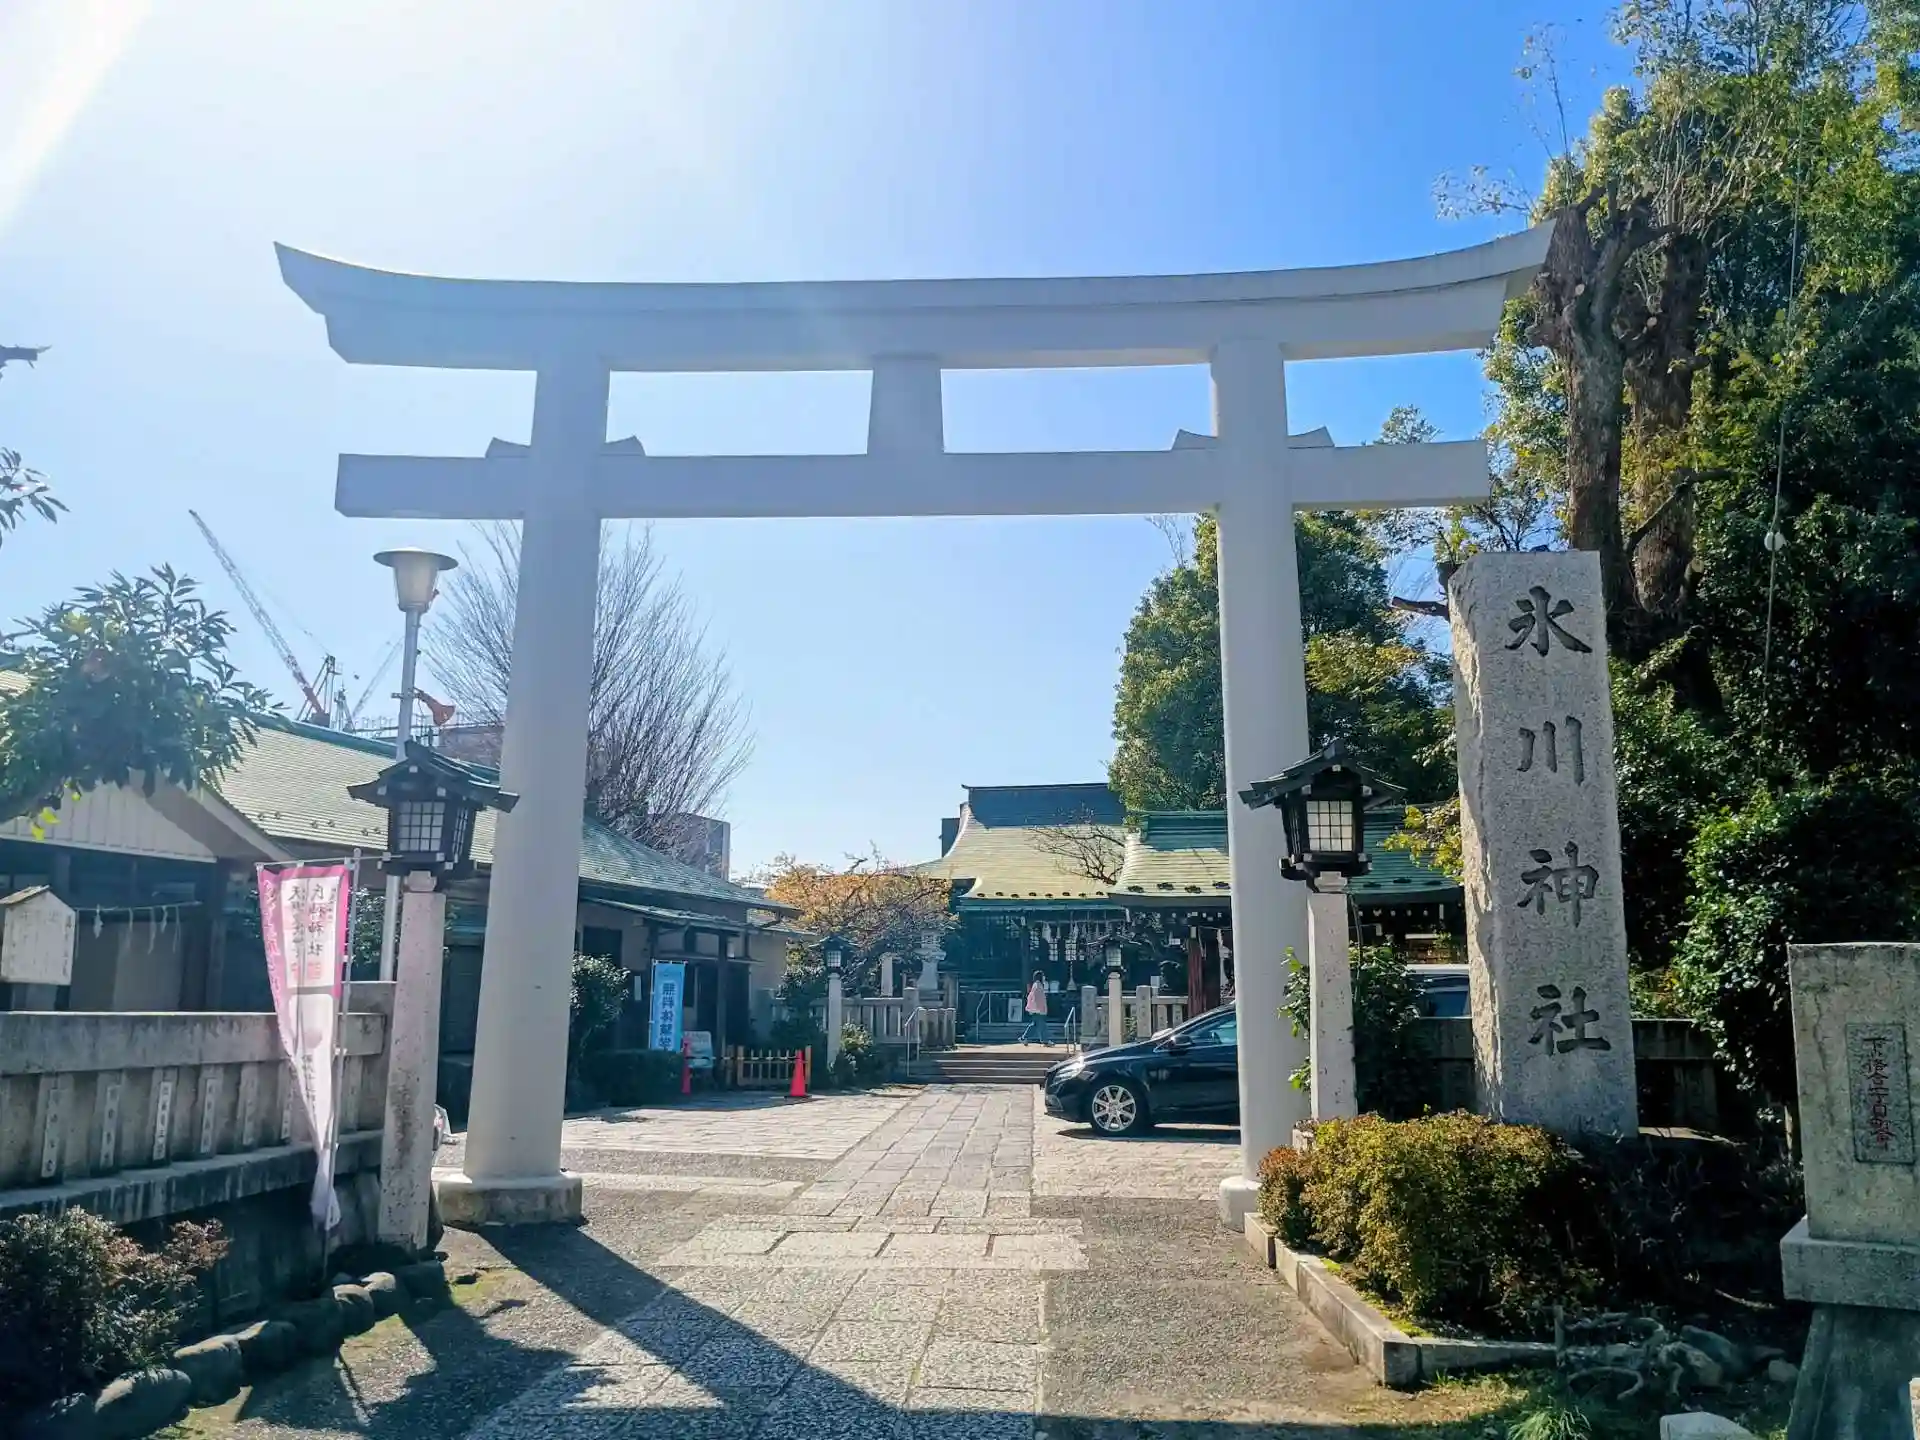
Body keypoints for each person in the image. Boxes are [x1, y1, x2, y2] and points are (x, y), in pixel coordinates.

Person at [1019, 970, 1050, 1045]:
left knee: (1034, 1025)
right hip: (1038, 1010)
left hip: (1036, 1009)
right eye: (1043, 976)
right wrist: (1040, 1009)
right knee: (1042, 1025)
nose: (1044, 977)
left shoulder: (1036, 985)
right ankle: (1045, 1041)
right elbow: (1038, 999)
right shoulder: (1038, 985)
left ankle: (1023, 1038)